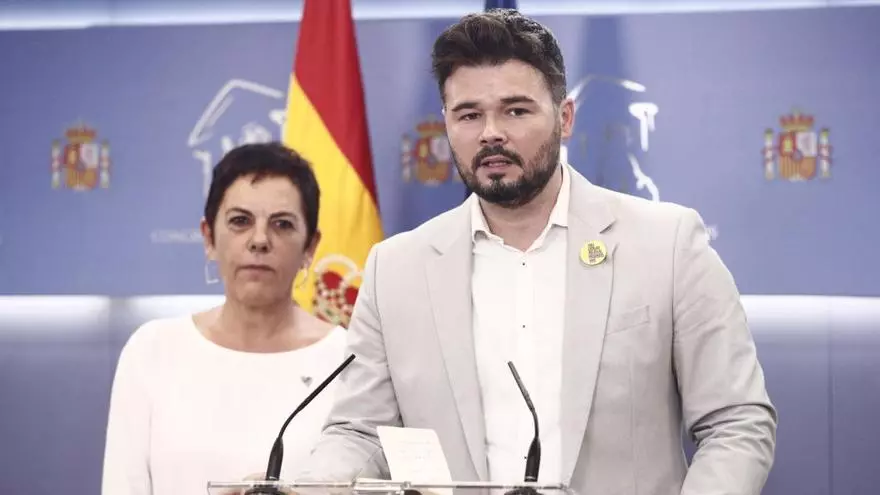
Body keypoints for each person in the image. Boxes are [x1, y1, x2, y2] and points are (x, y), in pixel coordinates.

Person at [295, 7, 778, 495]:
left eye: (516, 110)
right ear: (446, 124)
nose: (491, 132)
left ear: (564, 118)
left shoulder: (666, 245)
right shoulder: (397, 269)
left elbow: (736, 423)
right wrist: (312, 486)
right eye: (469, 115)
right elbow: (360, 433)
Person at [101, 143, 347, 495]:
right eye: (240, 221)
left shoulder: (348, 360)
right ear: (209, 237)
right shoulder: (152, 350)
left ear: (310, 247)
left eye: (282, 224)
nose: (259, 240)